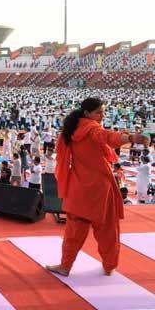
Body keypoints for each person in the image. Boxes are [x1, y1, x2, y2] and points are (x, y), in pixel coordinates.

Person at [47, 97, 148, 277]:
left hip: (79, 189)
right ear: (87, 113)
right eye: (98, 112)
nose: (102, 116)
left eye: (103, 112)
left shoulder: (73, 130)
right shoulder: (92, 129)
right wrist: (131, 137)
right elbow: (109, 137)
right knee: (108, 231)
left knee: (73, 232)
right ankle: (109, 266)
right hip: (101, 189)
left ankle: (65, 266)